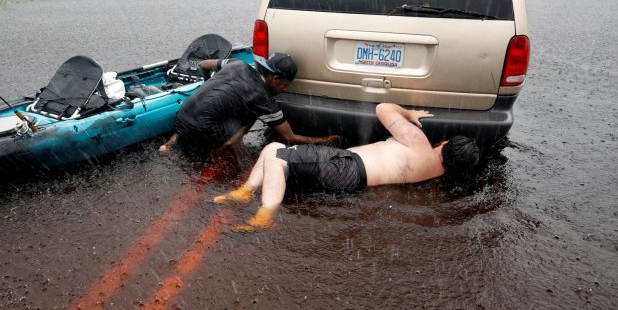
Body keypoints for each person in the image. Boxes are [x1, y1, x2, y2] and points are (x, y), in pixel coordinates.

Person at [212, 102, 482, 232]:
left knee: (277, 158)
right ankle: (246, 190)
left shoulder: (420, 144)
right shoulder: (436, 172)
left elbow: (383, 108)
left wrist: (409, 114)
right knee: (272, 149)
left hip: (345, 165)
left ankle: (264, 215)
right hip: (350, 180)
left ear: (444, 143)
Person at [159, 51, 339, 160]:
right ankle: (219, 149)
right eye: (284, 85)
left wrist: (207, 84)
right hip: (203, 128)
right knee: (252, 115)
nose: (283, 90)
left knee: (206, 109)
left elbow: (203, 64)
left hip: (183, 116)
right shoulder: (264, 100)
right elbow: (290, 137)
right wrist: (324, 140)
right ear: (274, 78)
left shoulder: (237, 63)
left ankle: (170, 143)